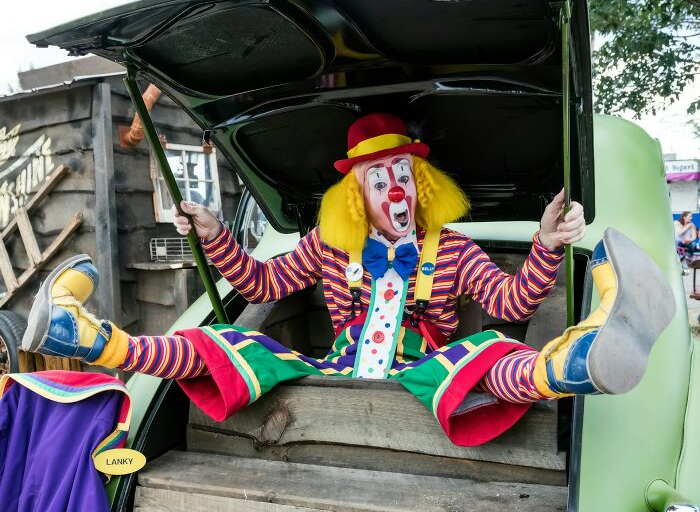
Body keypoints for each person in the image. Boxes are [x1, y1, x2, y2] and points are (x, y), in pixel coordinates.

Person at [21, 113, 675, 446]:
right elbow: (262, 283)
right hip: (334, 371)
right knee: (224, 341)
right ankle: (93, 339)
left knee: (487, 350)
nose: (395, 190)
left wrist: (547, 244)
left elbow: (511, 300)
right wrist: (216, 232)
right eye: (379, 180)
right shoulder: (329, 245)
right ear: (358, 195)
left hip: (422, 376)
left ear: (421, 186)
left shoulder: (451, 249)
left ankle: (576, 361)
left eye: (403, 177)